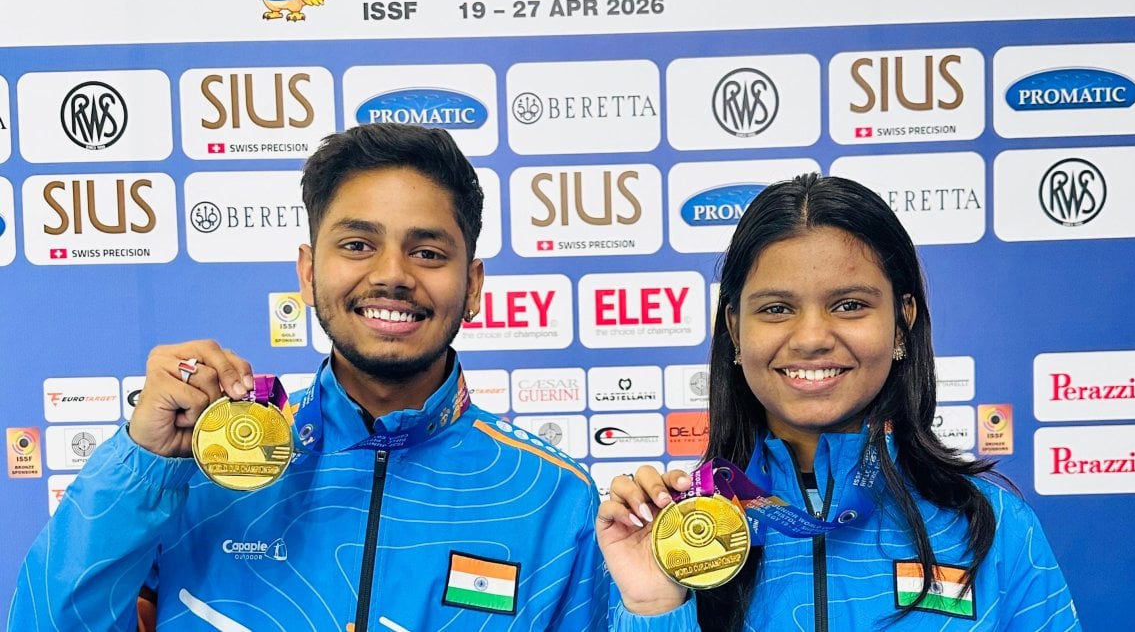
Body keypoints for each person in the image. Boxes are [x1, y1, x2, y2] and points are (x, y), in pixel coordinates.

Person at [10, 123, 606, 631]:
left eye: (427, 253)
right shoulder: (198, 470)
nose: (392, 276)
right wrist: (143, 461)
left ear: (472, 285)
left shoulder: (553, 497)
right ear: (308, 271)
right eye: (357, 244)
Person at [597, 173, 1080, 631]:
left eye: (849, 305)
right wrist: (654, 606)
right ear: (734, 330)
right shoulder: (681, 534)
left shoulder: (991, 525)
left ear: (902, 320)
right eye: (776, 309)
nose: (811, 338)